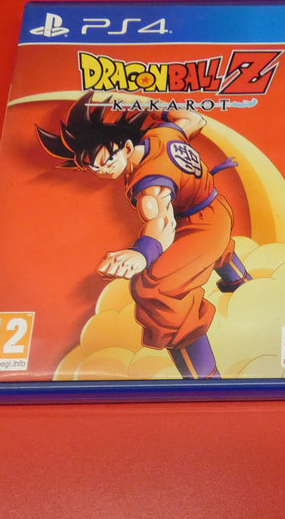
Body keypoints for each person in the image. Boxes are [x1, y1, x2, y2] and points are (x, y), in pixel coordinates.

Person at [36, 93, 251, 379]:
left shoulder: (150, 183)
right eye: (92, 167)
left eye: (106, 160)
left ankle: (205, 380)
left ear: (126, 146)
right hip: (211, 206)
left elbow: (162, 221)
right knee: (202, 250)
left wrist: (142, 253)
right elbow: (195, 119)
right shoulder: (163, 134)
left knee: (155, 289)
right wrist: (156, 110)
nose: (102, 171)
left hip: (205, 225)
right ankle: (240, 282)